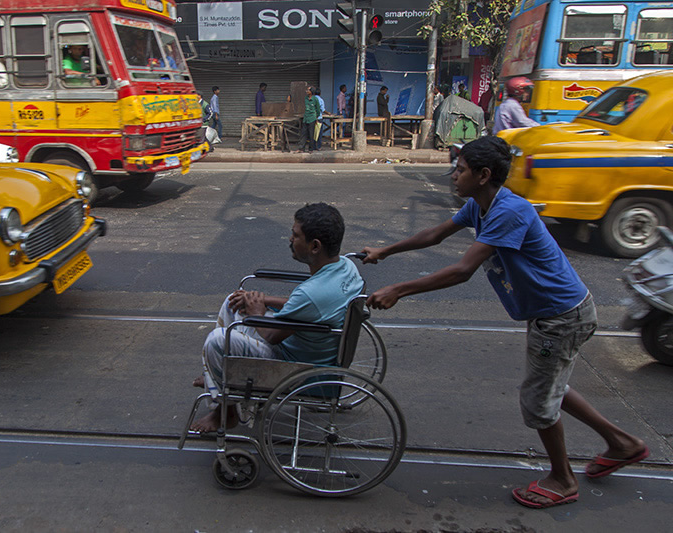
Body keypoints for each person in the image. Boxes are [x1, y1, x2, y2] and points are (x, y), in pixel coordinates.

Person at [361, 136, 648, 509]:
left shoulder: (509, 211)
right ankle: (623, 444)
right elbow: (437, 233)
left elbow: (463, 271)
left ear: (483, 175)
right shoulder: (480, 205)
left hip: (560, 317)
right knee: (550, 385)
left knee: (537, 401)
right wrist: (387, 249)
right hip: (554, 312)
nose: (453, 176)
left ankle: (563, 480)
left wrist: (399, 289)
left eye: (460, 170)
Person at [191, 203, 364, 432]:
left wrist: (257, 312)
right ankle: (218, 376)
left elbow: (272, 336)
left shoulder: (312, 293)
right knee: (233, 302)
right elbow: (308, 307)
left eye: (295, 235)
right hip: (315, 348)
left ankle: (226, 408)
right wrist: (264, 300)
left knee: (217, 340)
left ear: (314, 246)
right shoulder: (346, 268)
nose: (290, 239)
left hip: (297, 366)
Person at [297, 86, 321, 153]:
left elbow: (318, 109)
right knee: (303, 133)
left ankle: (311, 149)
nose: (307, 91)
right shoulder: (306, 98)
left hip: (312, 118)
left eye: (308, 90)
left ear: (311, 92)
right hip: (306, 118)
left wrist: (316, 116)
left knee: (311, 134)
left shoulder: (315, 99)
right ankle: (301, 148)